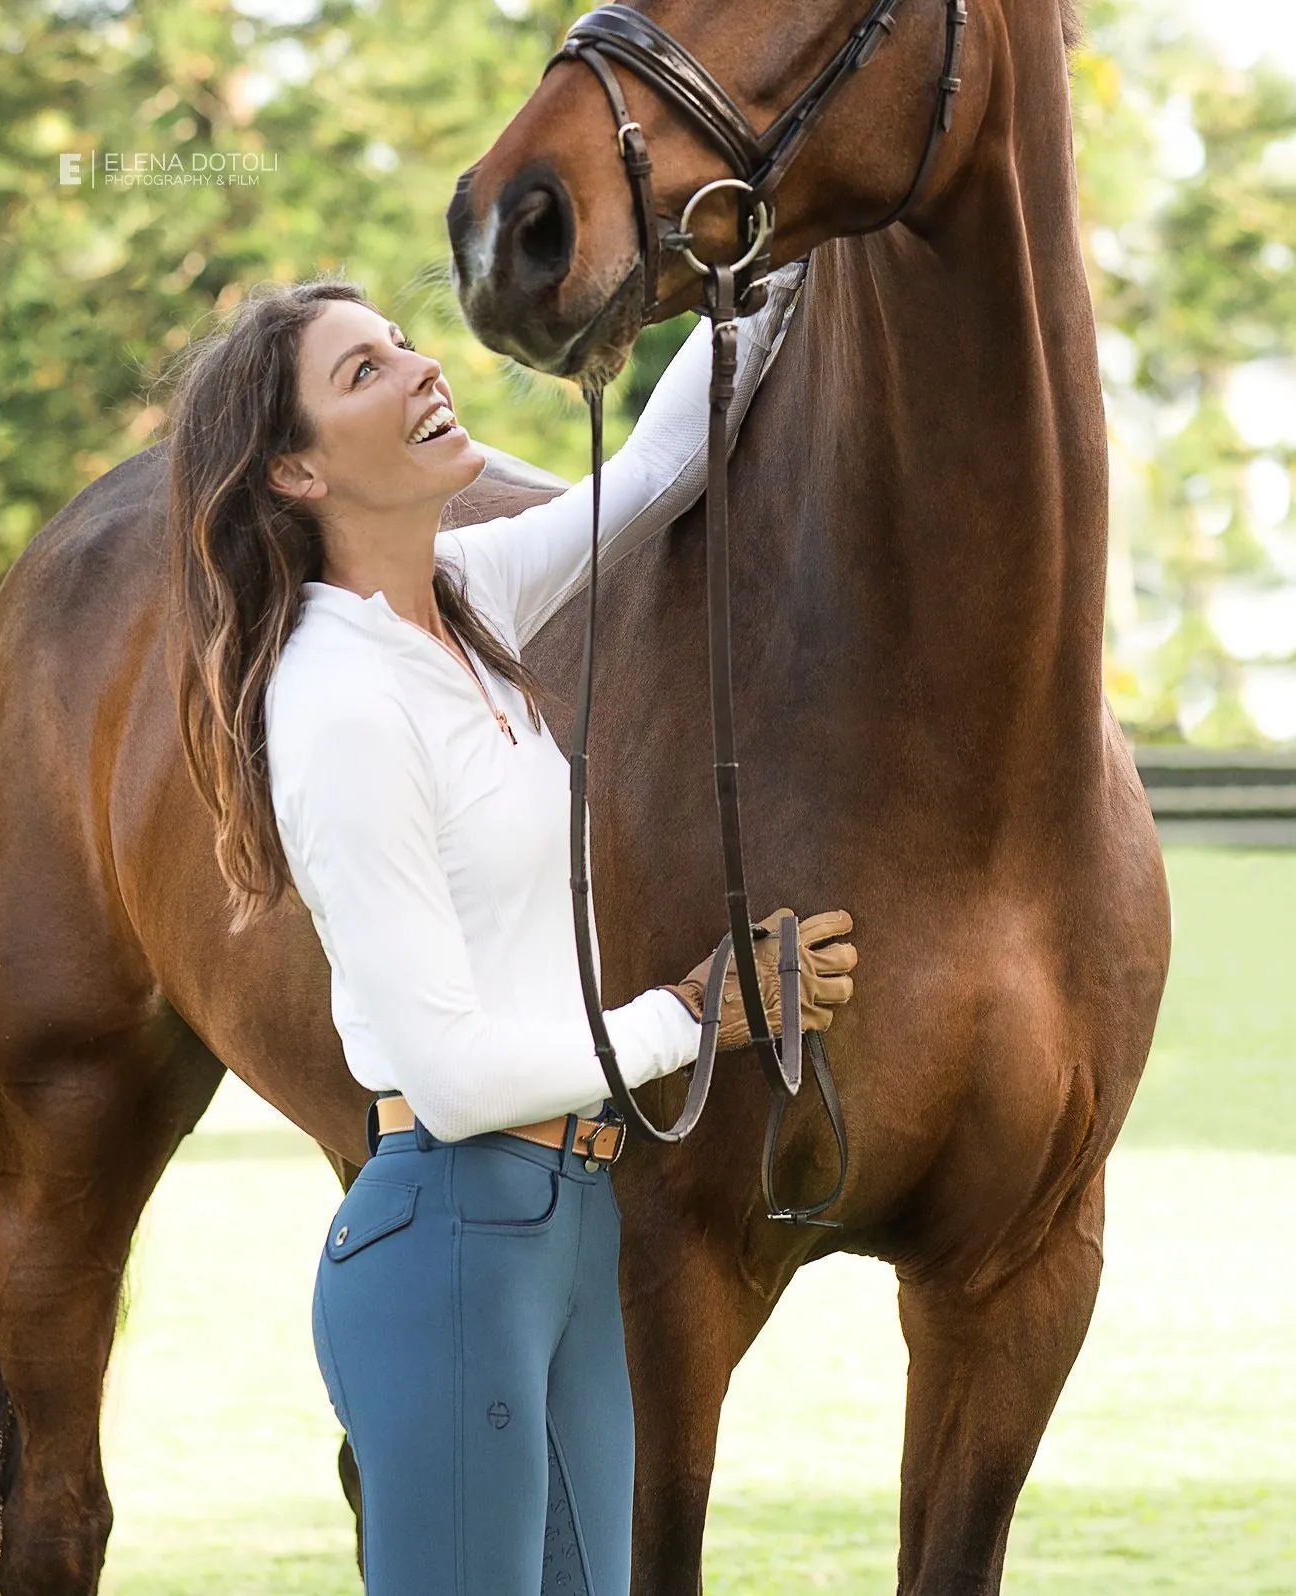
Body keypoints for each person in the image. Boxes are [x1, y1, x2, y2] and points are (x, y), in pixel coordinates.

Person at [165, 275, 858, 1595]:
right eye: (365, 372)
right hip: (451, 1244)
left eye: (404, 342)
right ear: (298, 470)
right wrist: (702, 1012)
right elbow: (459, 1073)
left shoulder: (458, 599)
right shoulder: (342, 701)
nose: (424, 367)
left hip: (571, 1222)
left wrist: (770, 287)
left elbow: (653, 476)